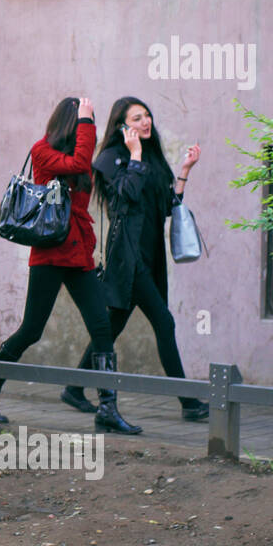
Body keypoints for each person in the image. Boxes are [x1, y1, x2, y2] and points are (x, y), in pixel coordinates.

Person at [0, 96, 140, 434]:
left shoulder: (76, 156)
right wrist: (88, 120)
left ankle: (107, 408)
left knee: (102, 328)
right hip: (49, 254)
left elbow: (83, 168)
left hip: (78, 256)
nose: (86, 125)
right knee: (31, 330)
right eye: (80, 120)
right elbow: (79, 161)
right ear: (72, 122)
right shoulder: (42, 152)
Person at [59, 96, 208, 421]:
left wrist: (183, 171)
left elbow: (167, 205)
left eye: (147, 116)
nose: (146, 122)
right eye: (137, 118)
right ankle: (190, 404)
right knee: (165, 323)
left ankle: (73, 387)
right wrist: (135, 156)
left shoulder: (153, 157)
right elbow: (124, 200)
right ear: (123, 127)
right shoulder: (109, 160)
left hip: (151, 254)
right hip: (128, 259)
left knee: (111, 327)